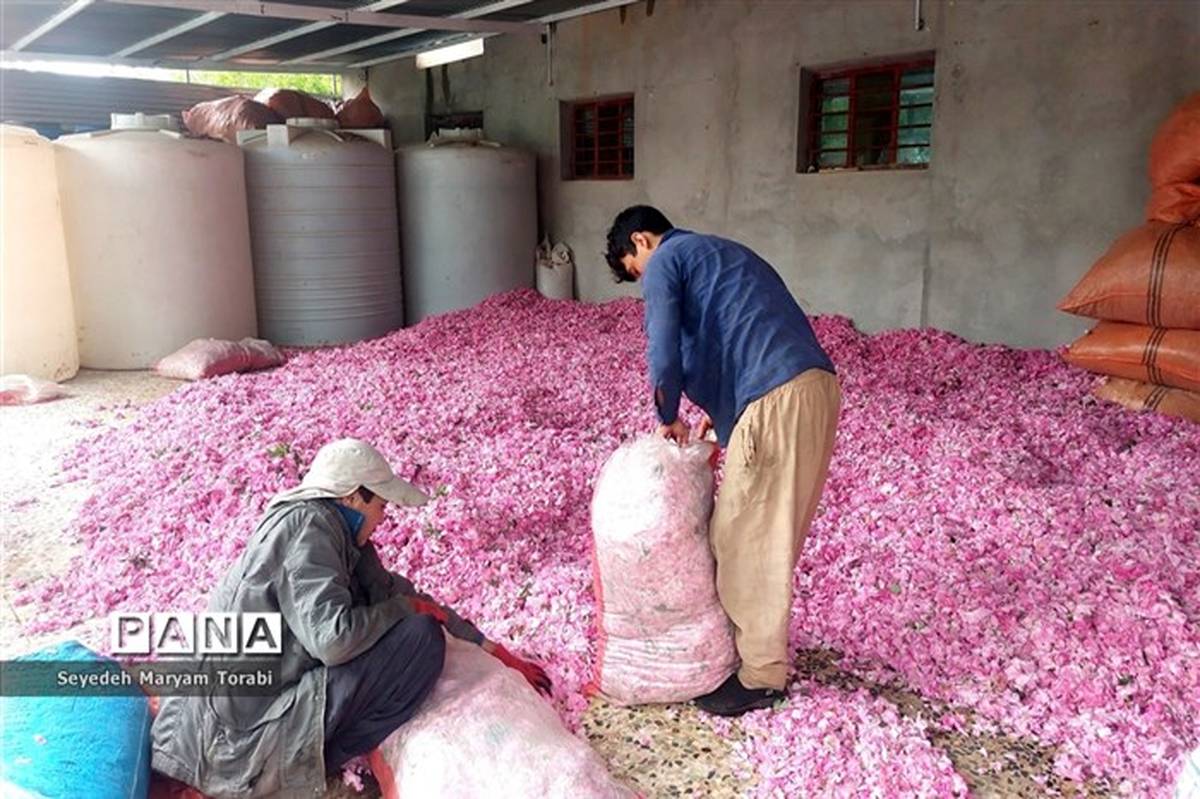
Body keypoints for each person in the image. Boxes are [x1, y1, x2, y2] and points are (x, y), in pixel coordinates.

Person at [151, 438, 550, 797]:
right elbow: (334, 640)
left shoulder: (339, 533)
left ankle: (301, 757)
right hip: (234, 738)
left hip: (242, 711)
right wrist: (401, 613)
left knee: (417, 625)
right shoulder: (309, 529)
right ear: (354, 497)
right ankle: (282, 769)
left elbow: (399, 593)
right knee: (420, 640)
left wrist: (494, 649)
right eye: (380, 504)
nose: (383, 517)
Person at [604, 205, 841, 717]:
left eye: (634, 270)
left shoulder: (667, 260)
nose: (644, 284)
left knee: (741, 538)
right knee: (767, 531)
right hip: (813, 390)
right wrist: (726, 412)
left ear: (642, 241)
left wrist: (667, 412)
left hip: (777, 397)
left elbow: (663, 348)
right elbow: (740, 333)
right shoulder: (717, 252)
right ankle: (757, 652)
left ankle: (759, 675)